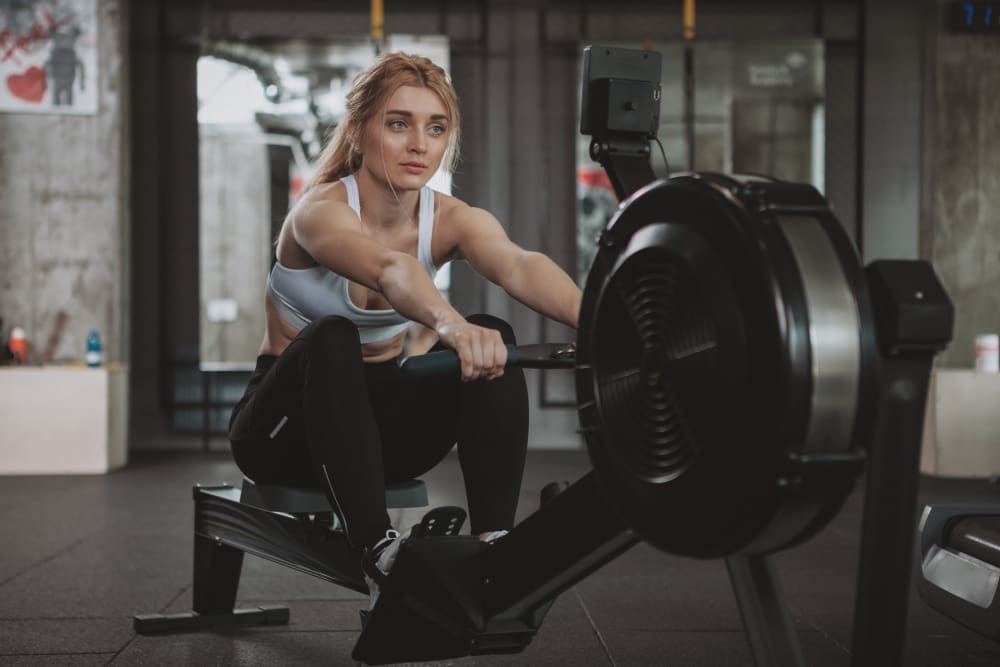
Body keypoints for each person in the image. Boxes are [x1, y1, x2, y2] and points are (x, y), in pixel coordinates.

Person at [227, 52, 582, 606]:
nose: (419, 144)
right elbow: (390, 268)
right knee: (332, 334)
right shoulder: (319, 212)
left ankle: (496, 542)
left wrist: (606, 325)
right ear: (358, 132)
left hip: (383, 438)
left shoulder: (453, 218)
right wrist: (451, 325)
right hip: (282, 434)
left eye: (435, 128)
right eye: (399, 123)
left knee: (495, 332)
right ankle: (378, 552)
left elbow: (518, 265)